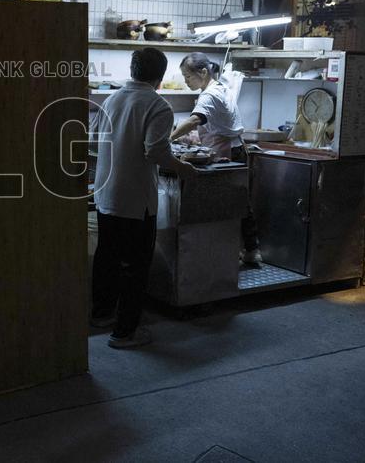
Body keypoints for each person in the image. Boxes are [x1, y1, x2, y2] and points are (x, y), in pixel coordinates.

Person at [91, 47, 196, 349]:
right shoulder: (158, 105)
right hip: (135, 201)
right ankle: (125, 333)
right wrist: (183, 167)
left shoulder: (112, 99)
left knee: (107, 258)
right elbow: (156, 152)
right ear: (160, 77)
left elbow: (95, 140)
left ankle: (102, 315)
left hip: (106, 195)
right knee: (135, 267)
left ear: (132, 70)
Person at [170, 52, 261, 264]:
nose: (186, 81)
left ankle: (232, 253)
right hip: (235, 149)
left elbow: (194, 121)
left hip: (226, 154)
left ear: (203, 72)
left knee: (225, 204)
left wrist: (169, 138)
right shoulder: (220, 88)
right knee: (239, 202)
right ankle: (248, 249)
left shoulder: (209, 95)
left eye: (188, 76)